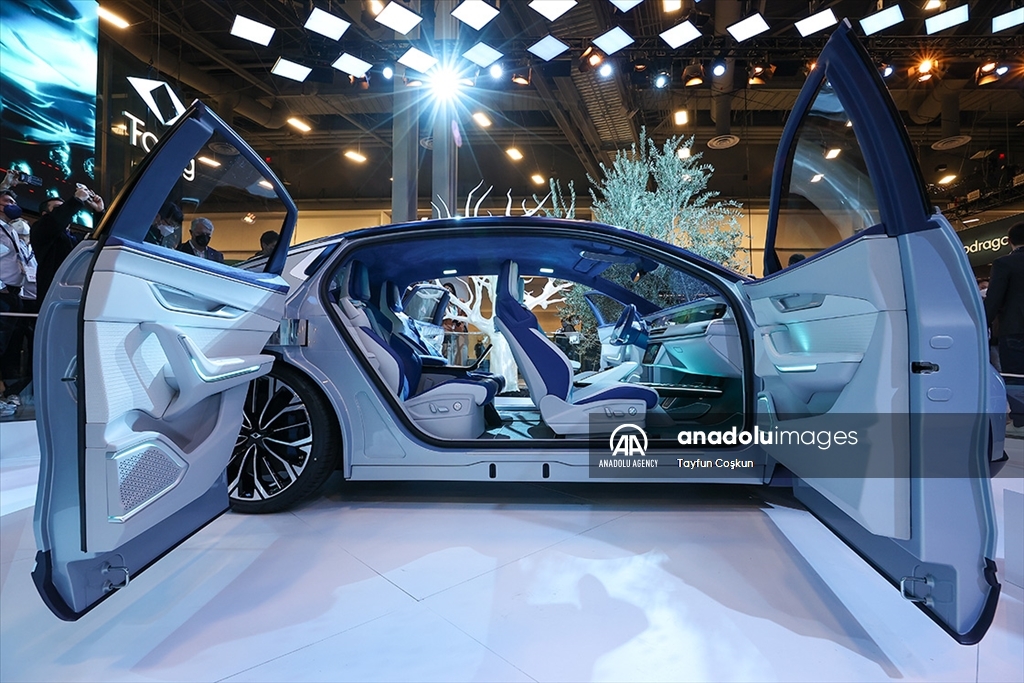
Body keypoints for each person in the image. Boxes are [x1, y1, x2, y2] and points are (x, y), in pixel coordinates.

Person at [32, 186, 105, 304]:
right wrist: (76, 200)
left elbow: (100, 238)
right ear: (45, 214)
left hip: (80, 294)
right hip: (53, 296)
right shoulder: (41, 231)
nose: (65, 211)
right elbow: (55, 221)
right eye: (58, 208)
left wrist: (99, 212)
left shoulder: (77, 237)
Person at [985, 222, 1024, 434]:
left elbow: (994, 299)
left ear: (1009, 241)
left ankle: (1021, 421)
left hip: (1015, 329)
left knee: (1016, 377)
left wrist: (982, 324)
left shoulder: (1004, 264)